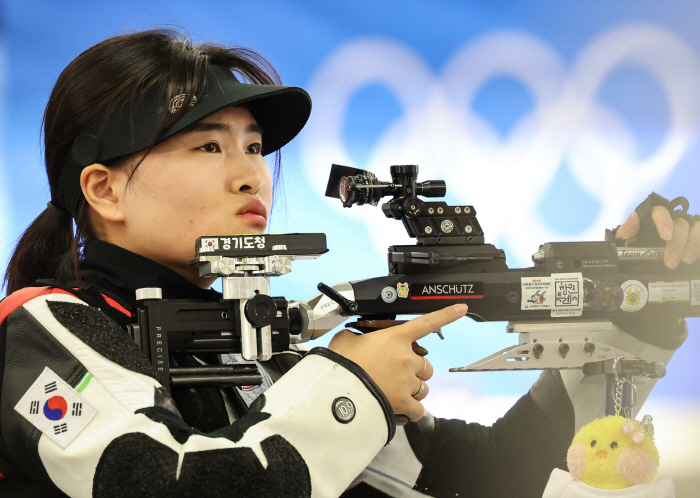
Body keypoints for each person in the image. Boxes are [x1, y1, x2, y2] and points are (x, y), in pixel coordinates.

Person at [0, 29, 696, 498]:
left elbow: (487, 477)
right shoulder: (43, 325)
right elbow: (159, 480)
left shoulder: (267, 351)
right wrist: (352, 387)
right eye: (209, 147)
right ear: (104, 189)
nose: (251, 176)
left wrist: (637, 318)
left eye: (253, 147)